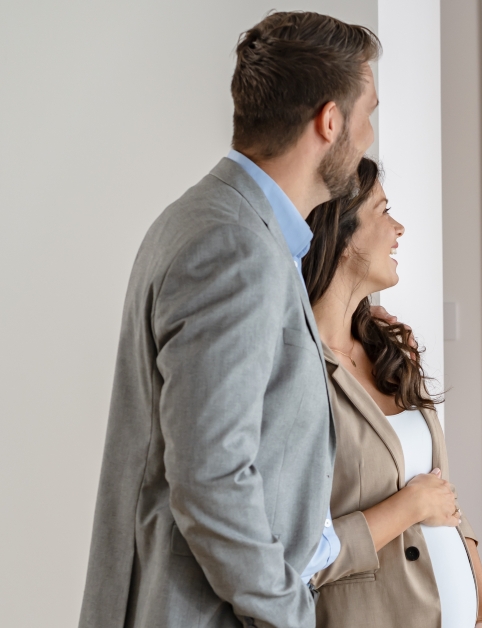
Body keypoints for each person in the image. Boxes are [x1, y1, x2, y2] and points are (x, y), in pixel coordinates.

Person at [79, 12, 379, 628]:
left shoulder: (213, 222)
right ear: (330, 121)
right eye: (368, 113)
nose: (371, 135)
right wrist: (290, 613)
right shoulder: (234, 245)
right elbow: (211, 475)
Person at [300, 157, 482, 628]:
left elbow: (444, 493)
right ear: (343, 235)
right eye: (384, 211)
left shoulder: (390, 351)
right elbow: (295, 560)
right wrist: (407, 507)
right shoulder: (297, 373)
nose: (399, 227)